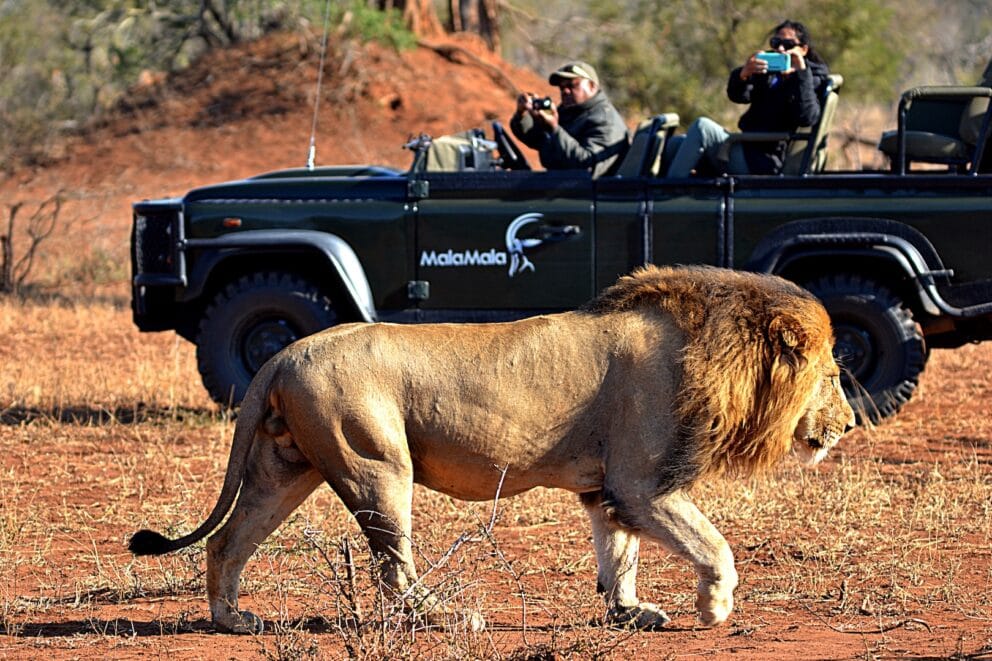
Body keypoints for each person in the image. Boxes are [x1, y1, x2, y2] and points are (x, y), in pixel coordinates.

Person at [666, 20, 830, 177]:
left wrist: (800, 73)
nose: (780, 48)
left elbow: (807, 117)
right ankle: (656, 195)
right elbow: (739, 96)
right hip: (748, 147)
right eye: (775, 43)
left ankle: (668, 195)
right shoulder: (772, 73)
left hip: (765, 160)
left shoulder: (811, 79)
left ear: (803, 50)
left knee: (702, 128)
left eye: (788, 45)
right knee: (675, 144)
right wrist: (744, 74)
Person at [510, 61, 629, 178]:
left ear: (592, 86)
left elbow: (588, 167)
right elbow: (537, 138)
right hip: (564, 187)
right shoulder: (571, 112)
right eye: (562, 88)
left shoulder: (604, 120)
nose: (565, 91)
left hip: (591, 193)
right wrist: (523, 114)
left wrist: (554, 129)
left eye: (572, 85)